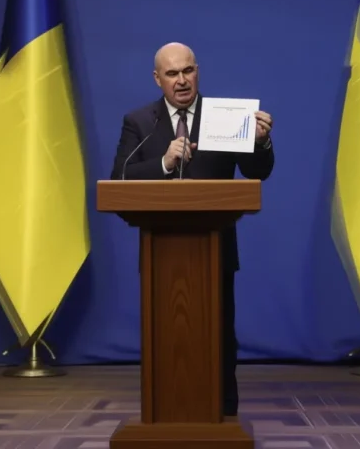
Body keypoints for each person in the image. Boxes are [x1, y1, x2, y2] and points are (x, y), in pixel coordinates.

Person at [110, 41, 275, 417]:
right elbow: (119, 179)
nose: (181, 80)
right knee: (165, 335)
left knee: (219, 335)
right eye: (172, 74)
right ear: (158, 79)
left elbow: (257, 172)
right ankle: (162, 416)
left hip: (216, 251)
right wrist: (164, 163)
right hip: (160, 253)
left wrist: (261, 142)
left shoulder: (225, 117)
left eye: (188, 71)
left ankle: (223, 416)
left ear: (198, 72)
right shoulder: (139, 122)